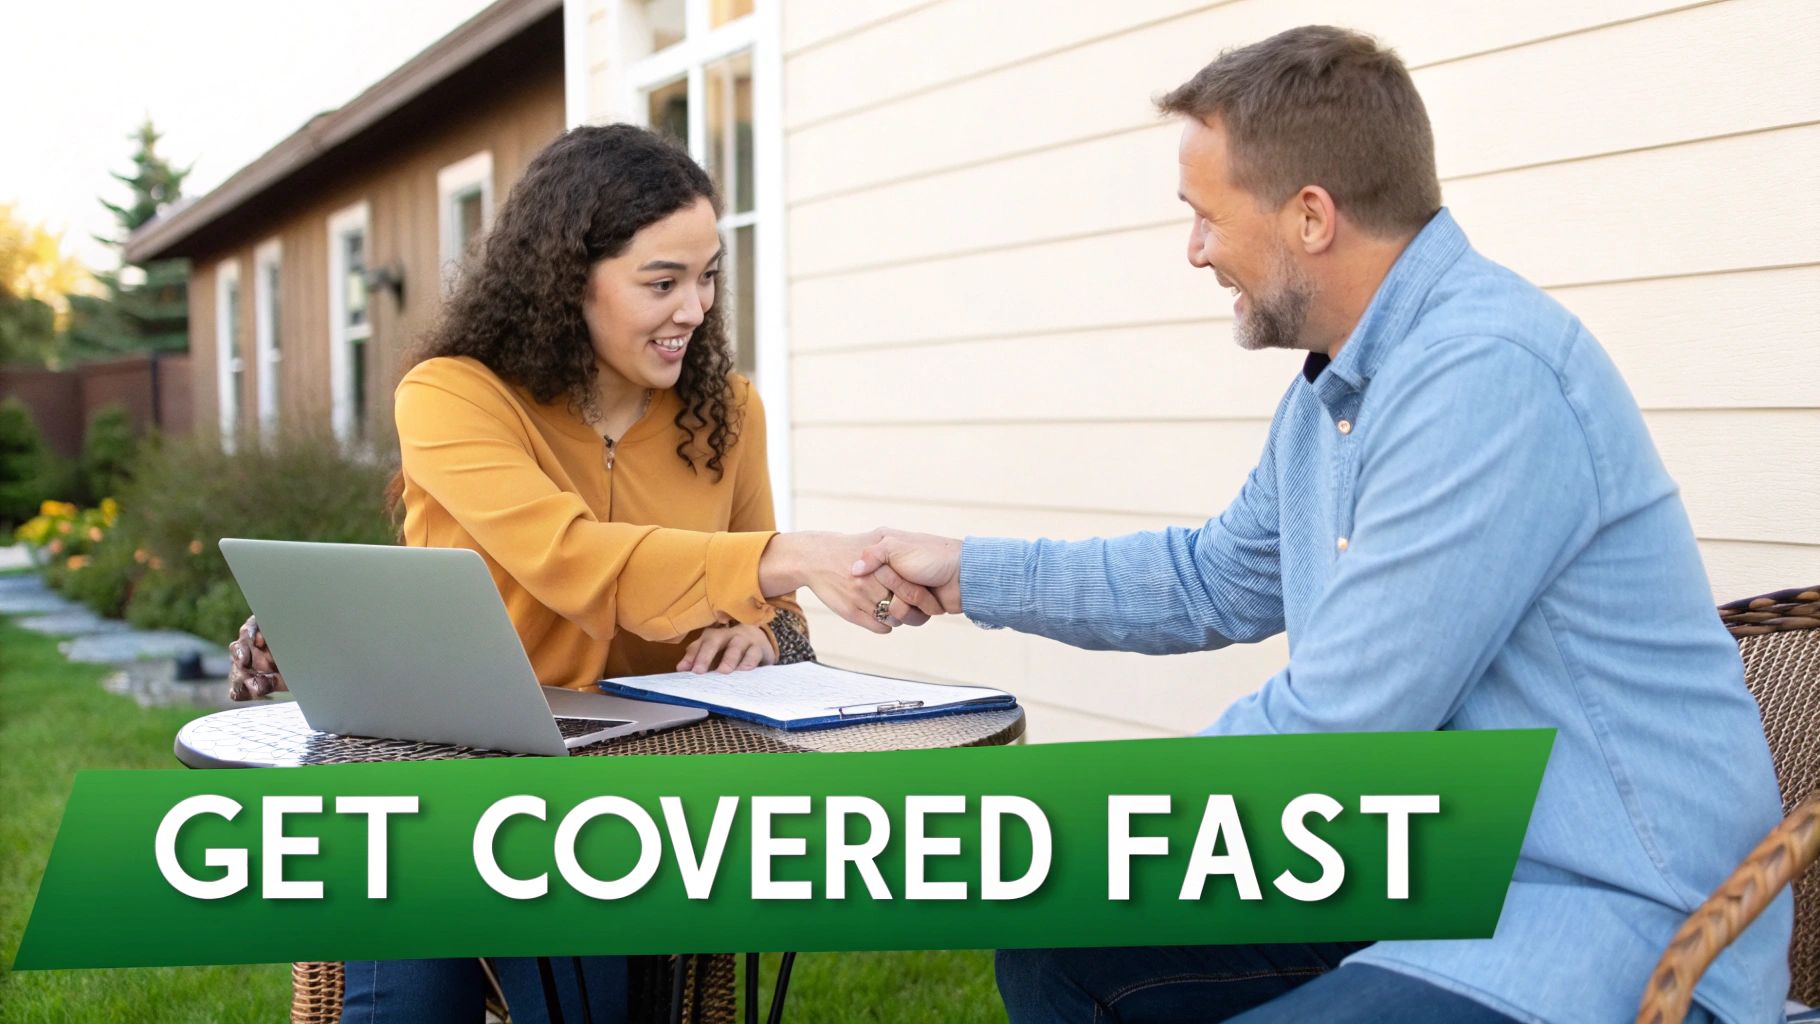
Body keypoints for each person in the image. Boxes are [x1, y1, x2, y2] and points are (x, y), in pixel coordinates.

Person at [853, 26, 1792, 1024]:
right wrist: (965, 573)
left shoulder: (1485, 375)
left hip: (1604, 917)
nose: (1194, 249)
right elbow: (1212, 577)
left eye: (1205, 216)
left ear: (1310, 217)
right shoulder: (1336, 393)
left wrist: (1077, 826)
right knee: (1062, 948)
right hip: (1427, 863)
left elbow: (1343, 724)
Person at [226, 124, 927, 1023]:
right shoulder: (453, 395)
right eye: (662, 283)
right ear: (567, 279)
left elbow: (773, 606)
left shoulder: (728, 413)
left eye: (707, 275)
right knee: (398, 1006)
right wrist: (783, 557)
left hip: (629, 802)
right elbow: (572, 559)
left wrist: (758, 623)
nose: (695, 309)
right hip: (444, 777)